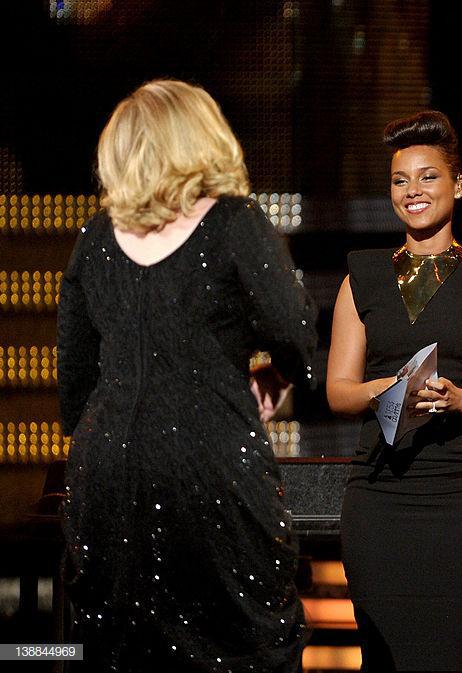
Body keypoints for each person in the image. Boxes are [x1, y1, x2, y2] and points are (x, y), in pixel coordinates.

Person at [57, 79, 316, 672]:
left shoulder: (94, 240)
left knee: (120, 651)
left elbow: (74, 390)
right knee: (238, 645)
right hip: (210, 467)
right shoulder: (233, 223)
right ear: (202, 138)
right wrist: (280, 376)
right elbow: (293, 326)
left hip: (108, 476)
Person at [326, 110, 462, 671]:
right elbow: (338, 392)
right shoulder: (361, 279)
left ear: (458, 186)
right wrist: (385, 389)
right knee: (384, 657)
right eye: (400, 180)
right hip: (380, 497)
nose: (413, 191)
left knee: (458, 656)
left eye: (428, 176)